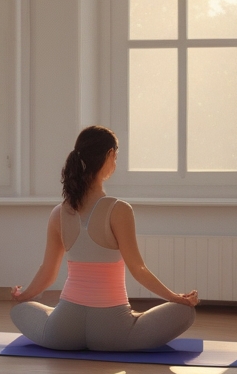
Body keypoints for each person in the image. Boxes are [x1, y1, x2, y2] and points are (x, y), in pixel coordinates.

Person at [10, 125, 198, 351]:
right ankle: (131, 318)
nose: (115, 162)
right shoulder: (119, 210)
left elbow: (48, 271)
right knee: (185, 312)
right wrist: (175, 297)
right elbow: (138, 269)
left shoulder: (59, 213)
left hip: (64, 332)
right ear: (109, 154)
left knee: (21, 310)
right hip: (114, 334)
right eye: (116, 156)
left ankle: (59, 316)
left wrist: (24, 296)